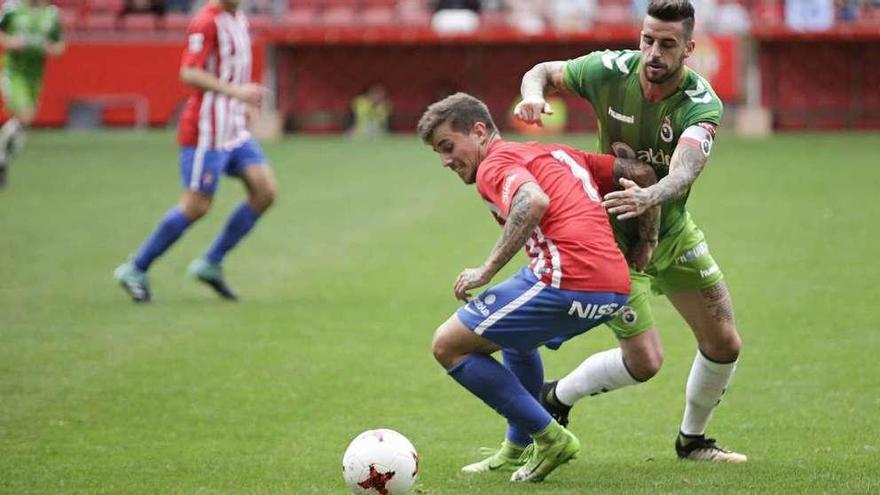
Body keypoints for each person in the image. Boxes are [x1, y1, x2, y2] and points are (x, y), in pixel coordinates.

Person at [514, 0, 747, 463]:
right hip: (610, 237)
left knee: (724, 343)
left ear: (689, 49)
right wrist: (533, 95)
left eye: (667, 44)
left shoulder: (701, 104)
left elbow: (685, 172)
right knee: (645, 363)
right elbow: (541, 70)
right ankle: (556, 397)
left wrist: (651, 195)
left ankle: (692, 441)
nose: (653, 52)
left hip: (672, 229)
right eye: (647, 40)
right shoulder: (608, 69)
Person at [418, 92, 658, 482]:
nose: (445, 160)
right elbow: (642, 174)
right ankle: (518, 448)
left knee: (448, 345)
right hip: (614, 286)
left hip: (568, 277)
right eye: (438, 153)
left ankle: (549, 437)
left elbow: (531, 201)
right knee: (516, 339)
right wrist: (646, 243)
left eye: (448, 147)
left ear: (479, 132)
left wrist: (486, 270)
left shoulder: (493, 165)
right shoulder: (555, 152)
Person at [113, 0, 276, 303]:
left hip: (233, 129)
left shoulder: (239, 18)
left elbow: (231, 71)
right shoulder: (206, 21)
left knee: (265, 191)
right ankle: (135, 268)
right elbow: (189, 72)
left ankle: (211, 263)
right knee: (196, 206)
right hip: (206, 131)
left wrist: (242, 103)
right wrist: (237, 93)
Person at [0, 0, 64, 188]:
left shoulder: (52, 14)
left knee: (24, 123)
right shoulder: (12, 9)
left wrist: (48, 48)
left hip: (35, 76)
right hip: (14, 72)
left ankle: (3, 159)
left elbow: (60, 45)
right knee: (24, 116)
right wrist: (11, 42)